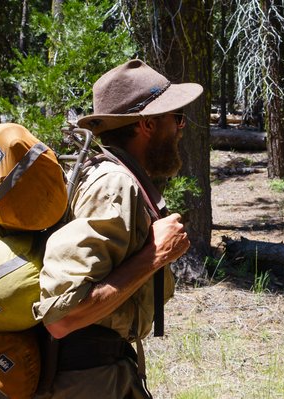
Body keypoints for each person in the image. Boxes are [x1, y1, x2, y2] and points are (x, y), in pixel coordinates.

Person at [33, 59, 203, 398]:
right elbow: (62, 318)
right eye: (177, 118)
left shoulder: (112, 175)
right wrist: (155, 255)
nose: (181, 129)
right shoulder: (113, 185)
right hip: (86, 380)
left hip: (104, 370)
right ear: (148, 125)